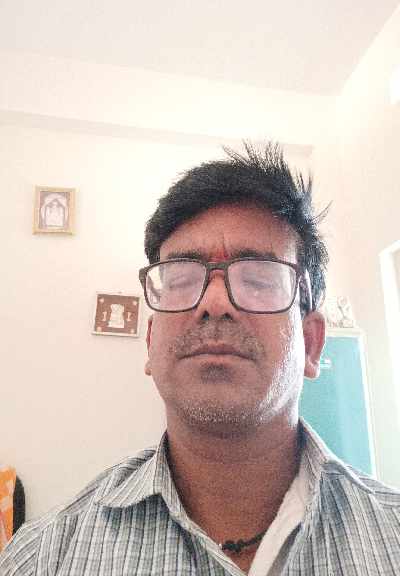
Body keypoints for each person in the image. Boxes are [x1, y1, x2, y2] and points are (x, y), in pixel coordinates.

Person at [1, 142, 400, 575]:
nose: (214, 302)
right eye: (182, 278)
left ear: (312, 342)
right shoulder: (42, 558)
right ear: (150, 342)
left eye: (258, 278)